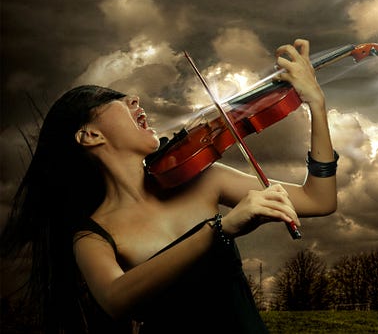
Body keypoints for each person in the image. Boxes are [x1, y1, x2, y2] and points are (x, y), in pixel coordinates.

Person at [1, 39, 338, 333]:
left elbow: (319, 199)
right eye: (113, 99)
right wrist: (220, 229)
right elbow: (115, 299)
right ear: (90, 135)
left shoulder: (206, 179)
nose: (134, 98)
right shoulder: (92, 236)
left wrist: (317, 105)